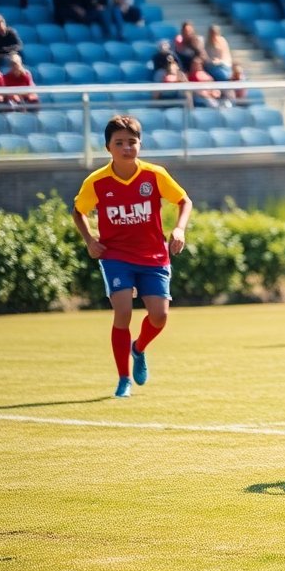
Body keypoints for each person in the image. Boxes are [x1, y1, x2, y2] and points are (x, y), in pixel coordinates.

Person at [71, 115, 192, 398]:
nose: (127, 148)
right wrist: (90, 240)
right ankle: (123, 379)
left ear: (140, 144)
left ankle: (138, 349)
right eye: (119, 143)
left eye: (132, 142)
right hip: (115, 256)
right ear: (108, 148)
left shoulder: (154, 175)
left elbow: (184, 200)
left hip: (153, 255)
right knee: (123, 311)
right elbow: (78, 211)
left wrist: (179, 229)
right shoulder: (97, 182)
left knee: (159, 317)